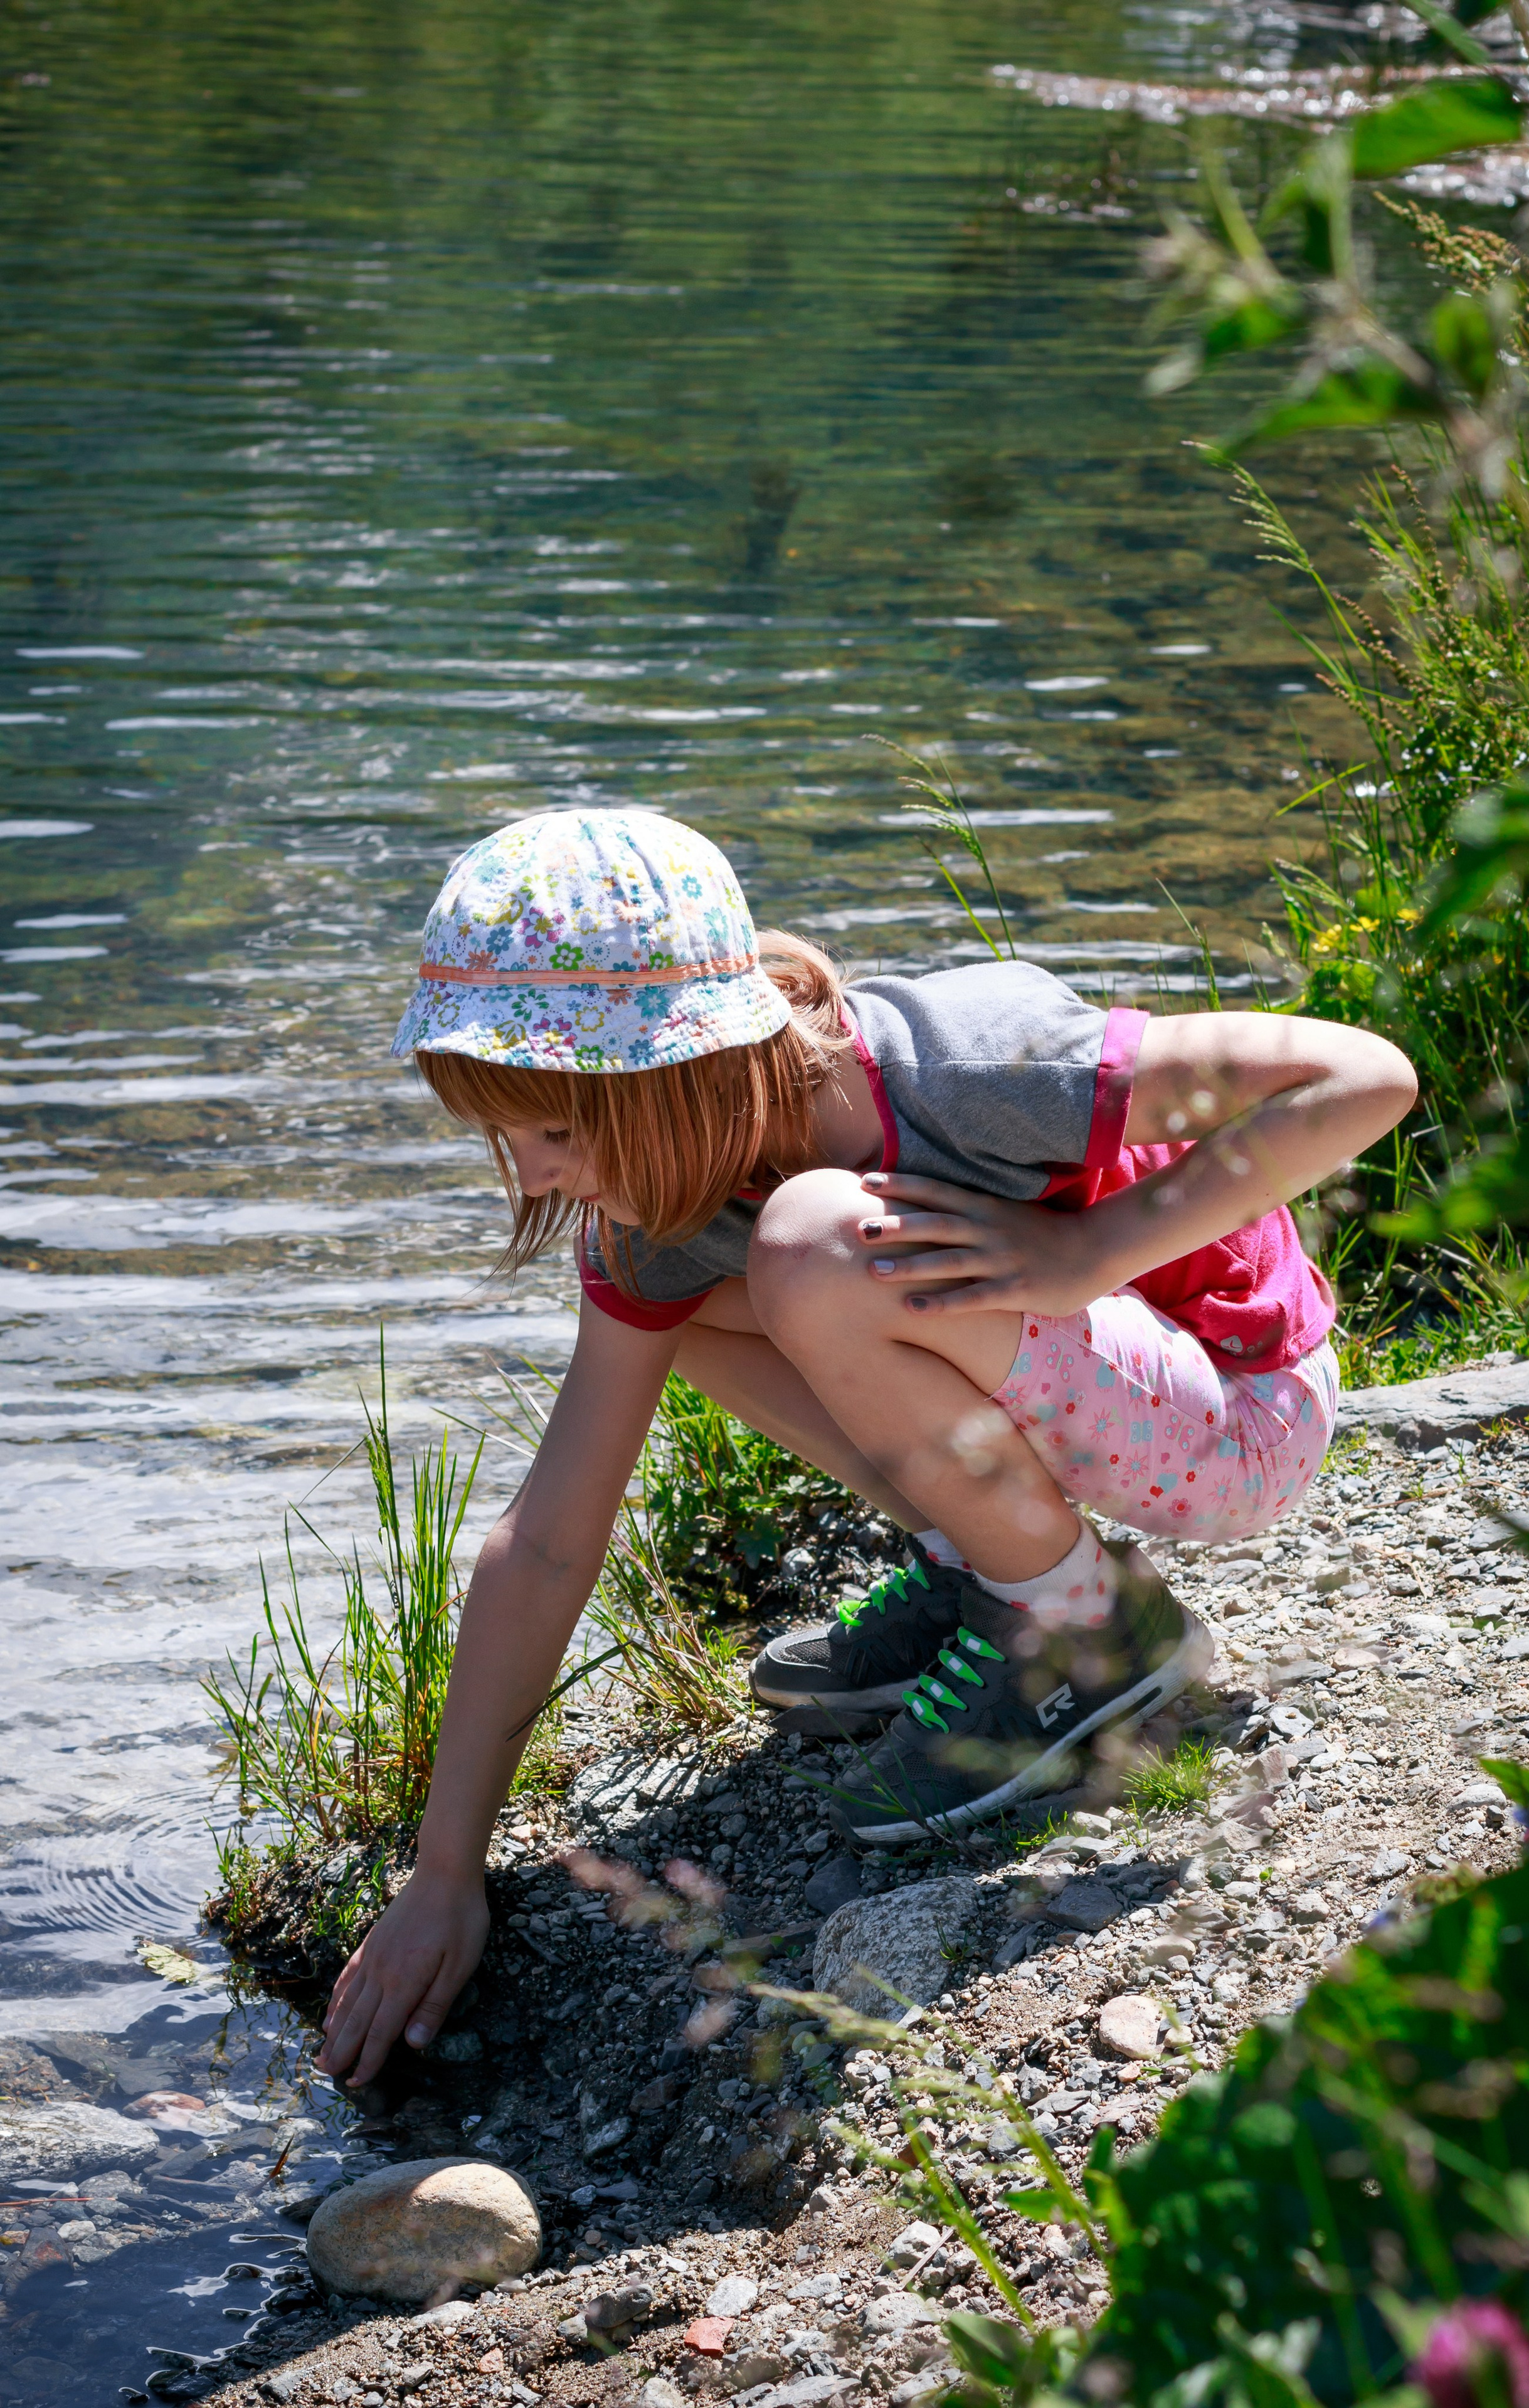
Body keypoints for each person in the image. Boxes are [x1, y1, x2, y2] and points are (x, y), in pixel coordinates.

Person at [315, 806, 1415, 2085]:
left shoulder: (967, 1071)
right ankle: (987, 1566)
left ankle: (1082, 1635)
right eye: (506, 1138)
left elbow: (1363, 1075)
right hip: (1086, 1393)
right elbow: (551, 1536)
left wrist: (1084, 1252)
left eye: (556, 1131)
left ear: (680, 1068)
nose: (538, 1173)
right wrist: (444, 1873)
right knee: (695, 1306)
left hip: (1236, 1413)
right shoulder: (651, 1211)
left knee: (811, 1247)